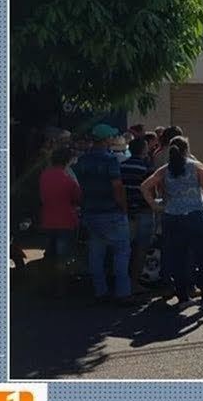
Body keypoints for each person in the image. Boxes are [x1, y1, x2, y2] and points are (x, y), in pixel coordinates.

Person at [141, 136, 203, 311]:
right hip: (195, 216)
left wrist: (155, 205)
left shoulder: (165, 170)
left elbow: (144, 186)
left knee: (178, 259)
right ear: (187, 149)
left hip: (172, 218)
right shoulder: (197, 168)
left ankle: (183, 298)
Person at [75, 124, 134, 304]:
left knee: (96, 254)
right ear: (106, 139)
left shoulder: (82, 160)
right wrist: (123, 208)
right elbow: (117, 187)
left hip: (90, 212)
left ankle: (100, 292)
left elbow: (79, 187)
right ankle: (122, 293)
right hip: (111, 212)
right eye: (111, 137)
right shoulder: (110, 160)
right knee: (121, 252)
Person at [38, 147, 81, 297]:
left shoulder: (44, 175)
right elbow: (77, 198)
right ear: (67, 160)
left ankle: (47, 285)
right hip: (66, 220)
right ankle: (61, 288)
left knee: (50, 254)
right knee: (64, 256)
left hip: (48, 219)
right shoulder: (68, 178)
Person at [120, 137, 156, 291]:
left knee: (124, 249)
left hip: (126, 212)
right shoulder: (146, 167)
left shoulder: (121, 166)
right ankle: (134, 282)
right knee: (141, 249)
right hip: (143, 211)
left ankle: (123, 281)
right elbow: (152, 190)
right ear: (143, 149)